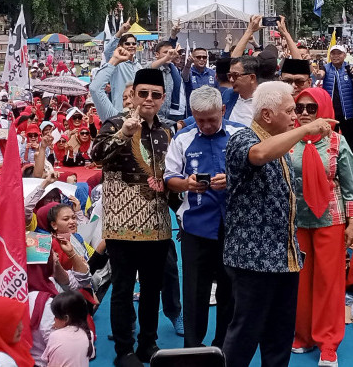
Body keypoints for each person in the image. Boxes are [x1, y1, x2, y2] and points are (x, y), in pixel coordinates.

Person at [222, 81, 337, 367]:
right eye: (290, 111)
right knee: (244, 336)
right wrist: (306, 131)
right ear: (267, 115)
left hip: (285, 258)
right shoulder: (242, 138)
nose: (296, 117)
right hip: (254, 261)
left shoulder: (282, 143)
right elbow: (258, 155)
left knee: (279, 338)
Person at [91, 68, 173, 367]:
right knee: (123, 289)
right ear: (134, 94)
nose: (148, 100)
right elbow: (96, 155)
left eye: (155, 95)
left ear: (163, 98)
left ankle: (148, 343)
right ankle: (124, 349)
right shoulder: (114, 123)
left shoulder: (168, 130)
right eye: (143, 94)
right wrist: (124, 134)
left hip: (158, 223)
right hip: (121, 222)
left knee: (153, 288)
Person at [164, 86, 243, 349]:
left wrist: (231, 181)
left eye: (212, 119)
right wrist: (186, 184)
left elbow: (256, 174)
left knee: (229, 290)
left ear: (222, 110)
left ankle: (224, 347)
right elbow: (169, 178)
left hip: (234, 227)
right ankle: (193, 348)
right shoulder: (182, 138)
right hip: (196, 226)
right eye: (200, 120)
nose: (207, 125)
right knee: (195, 292)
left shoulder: (240, 134)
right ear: (192, 115)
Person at [289, 87, 353, 366]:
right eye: (300, 108)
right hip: (296, 221)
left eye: (311, 108)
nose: (304, 113)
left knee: (329, 283)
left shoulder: (337, 142)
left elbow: (350, 189)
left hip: (331, 220)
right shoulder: (288, 140)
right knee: (300, 281)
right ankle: (303, 335)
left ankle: (328, 343)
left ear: (324, 110)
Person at [316, 45, 353, 155]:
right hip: (330, 113)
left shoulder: (350, 68)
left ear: (344, 55)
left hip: (347, 113)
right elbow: (320, 75)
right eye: (333, 53)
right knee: (329, 142)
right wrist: (317, 73)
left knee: (351, 142)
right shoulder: (326, 68)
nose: (335, 56)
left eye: (338, 53)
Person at [41, 291, 95, 367]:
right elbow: (91, 355)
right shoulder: (89, 334)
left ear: (66, 318)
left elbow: (46, 361)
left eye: (56, 316)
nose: (54, 319)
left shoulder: (55, 336)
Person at [149, 41, 186, 121]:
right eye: (166, 52)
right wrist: (167, 57)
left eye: (171, 52)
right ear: (157, 55)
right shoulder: (154, 69)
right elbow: (148, 68)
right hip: (155, 115)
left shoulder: (171, 70)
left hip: (169, 113)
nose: (169, 55)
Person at [225, 56, 260, 126]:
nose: (231, 80)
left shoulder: (265, 101)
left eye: (235, 76)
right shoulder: (228, 94)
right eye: (229, 76)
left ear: (252, 78)